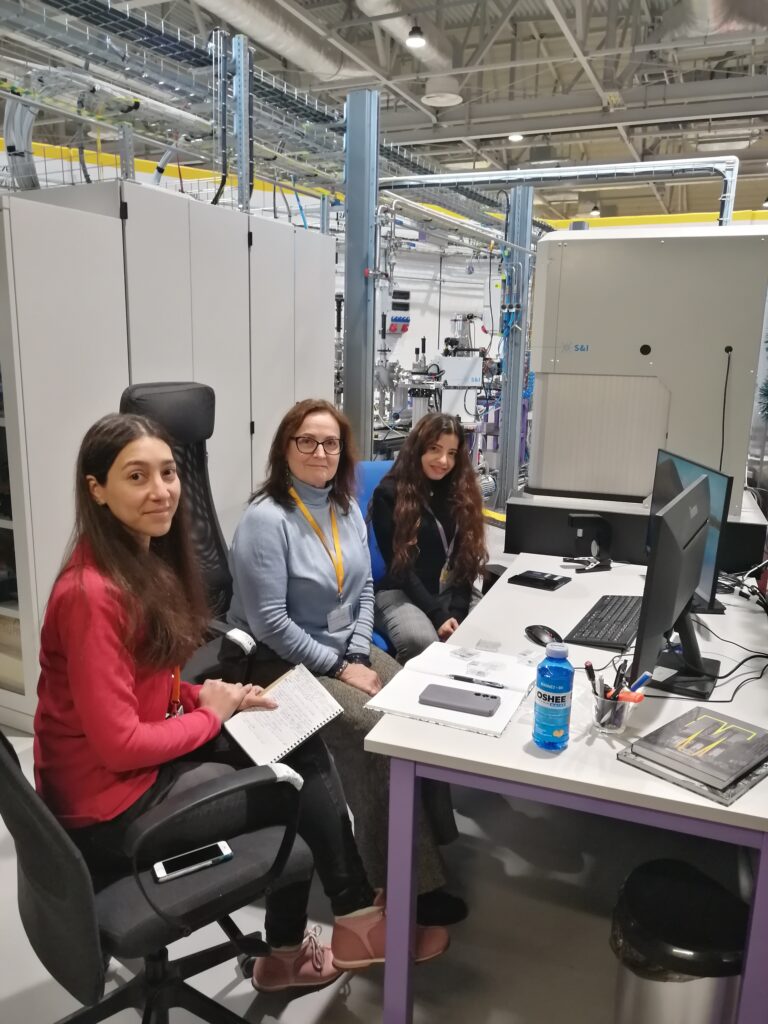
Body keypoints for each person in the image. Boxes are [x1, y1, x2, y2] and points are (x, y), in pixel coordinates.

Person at [33, 413, 449, 995]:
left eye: (169, 472)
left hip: (131, 767)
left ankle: (319, 937)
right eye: (136, 476)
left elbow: (142, 680)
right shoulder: (91, 594)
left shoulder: (136, 564)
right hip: (110, 803)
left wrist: (201, 693)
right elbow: (119, 743)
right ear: (96, 489)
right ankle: (330, 928)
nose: (161, 490)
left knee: (285, 729)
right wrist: (210, 716)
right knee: (291, 794)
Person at [227, 399, 466, 926]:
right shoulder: (267, 520)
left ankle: (431, 843)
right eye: (306, 441)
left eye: (331, 442)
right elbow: (269, 623)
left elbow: (363, 592)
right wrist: (339, 668)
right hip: (281, 664)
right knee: (377, 733)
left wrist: (357, 652)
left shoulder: (345, 506)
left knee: (416, 702)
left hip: (341, 648)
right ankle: (402, 885)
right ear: (284, 449)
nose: (320, 452)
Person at [371, 413, 488, 663]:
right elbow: (399, 568)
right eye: (435, 449)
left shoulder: (461, 493)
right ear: (418, 449)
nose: (444, 461)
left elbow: (465, 560)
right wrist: (438, 615)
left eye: (452, 453)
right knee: (423, 643)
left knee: (482, 638)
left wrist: (456, 614)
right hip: (402, 590)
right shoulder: (389, 494)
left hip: (448, 589)